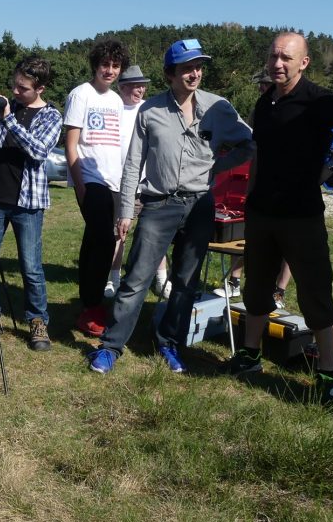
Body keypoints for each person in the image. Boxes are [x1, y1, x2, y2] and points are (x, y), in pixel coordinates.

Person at [88, 39, 254, 374]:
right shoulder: (150, 111)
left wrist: (217, 168)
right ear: (170, 73)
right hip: (158, 205)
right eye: (186, 68)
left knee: (185, 281)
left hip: (200, 206)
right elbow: (133, 163)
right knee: (136, 279)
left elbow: (249, 143)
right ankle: (111, 347)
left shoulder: (219, 108)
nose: (194, 74)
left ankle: (170, 343)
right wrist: (124, 211)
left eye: (198, 67)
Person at [228, 32, 333, 406]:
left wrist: (331, 168)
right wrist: (249, 198)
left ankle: (328, 374)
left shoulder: (321, 100)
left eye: (286, 57)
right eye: (273, 57)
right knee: (256, 289)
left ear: (304, 62)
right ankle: (250, 355)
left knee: (315, 293)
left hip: (302, 215)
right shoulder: (265, 101)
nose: (278, 63)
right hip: (262, 212)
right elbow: (260, 155)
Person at [0, 57, 63, 350]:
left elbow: (38, 150)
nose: (16, 92)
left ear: (40, 88)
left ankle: (37, 322)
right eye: (14, 85)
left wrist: (7, 116)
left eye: (23, 88)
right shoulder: (5, 108)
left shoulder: (51, 116)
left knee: (30, 266)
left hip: (27, 203)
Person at [65, 39, 129, 336]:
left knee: (102, 243)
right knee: (100, 242)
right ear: (96, 65)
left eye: (116, 66)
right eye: (105, 64)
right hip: (91, 179)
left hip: (113, 180)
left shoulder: (116, 100)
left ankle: (91, 304)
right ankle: (90, 307)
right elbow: (71, 145)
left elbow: (116, 146)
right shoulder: (81, 94)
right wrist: (80, 186)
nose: (110, 70)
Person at [215, 71, 291, 307]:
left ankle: (279, 290)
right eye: (261, 85)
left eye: (266, 85)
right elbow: (250, 142)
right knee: (250, 234)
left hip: (290, 183)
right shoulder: (259, 109)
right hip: (260, 179)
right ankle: (235, 282)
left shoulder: (296, 108)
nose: (263, 89)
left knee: (288, 241)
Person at [104, 65, 173, 300]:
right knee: (119, 233)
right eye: (136, 85)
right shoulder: (113, 109)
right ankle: (113, 278)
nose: (141, 89)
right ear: (122, 87)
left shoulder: (150, 109)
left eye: (143, 85)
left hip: (149, 182)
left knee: (156, 231)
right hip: (119, 182)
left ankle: (161, 279)